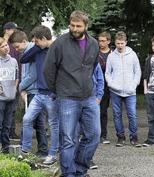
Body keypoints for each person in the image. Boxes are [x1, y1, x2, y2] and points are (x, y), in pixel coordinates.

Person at [43, 10, 101, 177]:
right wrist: (58, 90)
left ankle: (81, 171)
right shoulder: (60, 43)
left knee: (94, 135)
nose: (75, 29)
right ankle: (68, 173)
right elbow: (48, 70)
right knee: (68, 140)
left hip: (89, 97)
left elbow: (92, 66)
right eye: (72, 25)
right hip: (67, 98)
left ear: (86, 26)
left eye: (78, 26)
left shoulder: (94, 44)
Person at [19, 26, 60, 165]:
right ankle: (25, 151)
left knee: (54, 125)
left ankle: (53, 153)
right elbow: (23, 59)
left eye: (37, 41)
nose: (35, 43)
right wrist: (38, 47)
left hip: (51, 95)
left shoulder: (57, 49)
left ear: (43, 38)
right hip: (39, 93)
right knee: (27, 119)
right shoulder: (38, 50)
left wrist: (55, 93)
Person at [11, 29, 49, 158]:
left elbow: (33, 74)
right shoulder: (29, 51)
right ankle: (40, 149)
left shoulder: (33, 50)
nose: (16, 50)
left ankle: (32, 149)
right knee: (37, 121)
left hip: (35, 91)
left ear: (24, 41)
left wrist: (20, 87)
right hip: (31, 90)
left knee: (34, 121)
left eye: (17, 46)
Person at [105, 31, 141, 147]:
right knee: (116, 114)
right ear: (115, 43)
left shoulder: (133, 55)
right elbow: (108, 73)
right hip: (115, 91)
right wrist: (111, 84)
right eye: (118, 43)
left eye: (122, 43)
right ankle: (120, 137)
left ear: (126, 42)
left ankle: (134, 137)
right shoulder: (111, 56)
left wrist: (134, 84)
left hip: (130, 91)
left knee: (132, 114)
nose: (120, 46)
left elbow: (137, 71)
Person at [96, 32, 113, 144]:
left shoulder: (113, 53)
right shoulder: (95, 53)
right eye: (99, 41)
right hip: (98, 84)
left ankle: (103, 134)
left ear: (108, 41)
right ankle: (96, 134)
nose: (101, 43)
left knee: (104, 111)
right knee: (97, 110)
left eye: (103, 41)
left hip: (110, 84)